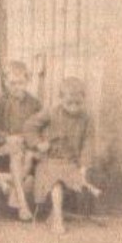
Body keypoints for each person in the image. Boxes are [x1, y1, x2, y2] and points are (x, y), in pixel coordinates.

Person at [24, 77, 98, 234]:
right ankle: (58, 218)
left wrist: (84, 166)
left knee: (72, 179)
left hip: (71, 161)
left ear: (83, 99)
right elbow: (29, 126)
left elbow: (88, 143)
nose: (73, 107)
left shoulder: (87, 118)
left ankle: (54, 214)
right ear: (61, 99)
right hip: (49, 159)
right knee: (56, 181)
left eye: (78, 103)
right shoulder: (51, 112)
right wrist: (38, 143)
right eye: (69, 103)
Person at [0, 60, 42, 221]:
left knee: (29, 154)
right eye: (12, 83)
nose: (16, 87)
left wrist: (29, 139)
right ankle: (23, 205)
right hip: (2, 149)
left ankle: (14, 195)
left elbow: (41, 128)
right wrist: (7, 137)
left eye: (20, 83)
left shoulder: (34, 104)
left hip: (27, 148)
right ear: (5, 82)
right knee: (17, 152)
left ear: (28, 81)